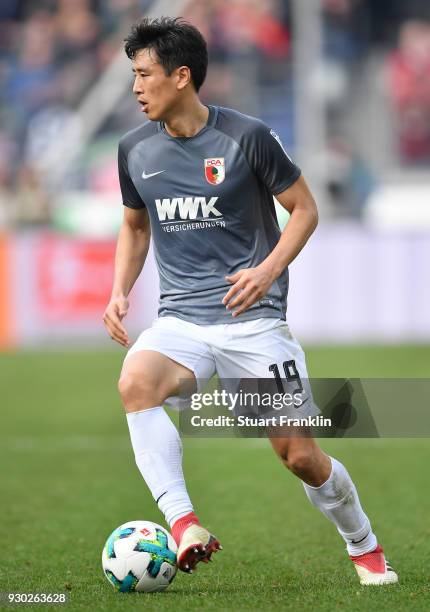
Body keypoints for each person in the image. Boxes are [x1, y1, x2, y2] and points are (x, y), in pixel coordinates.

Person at [103, 16, 397, 585]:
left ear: (181, 76)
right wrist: (119, 291)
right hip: (182, 320)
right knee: (136, 382)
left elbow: (305, 209)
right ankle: (183, 522)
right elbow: (135, 227)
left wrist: (267, 270)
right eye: (133, 76)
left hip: (253, 323)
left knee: (300, 458)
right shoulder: (133, 149)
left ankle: (363, 542)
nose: (136, 88)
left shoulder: (248, 137)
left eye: (144, 75)